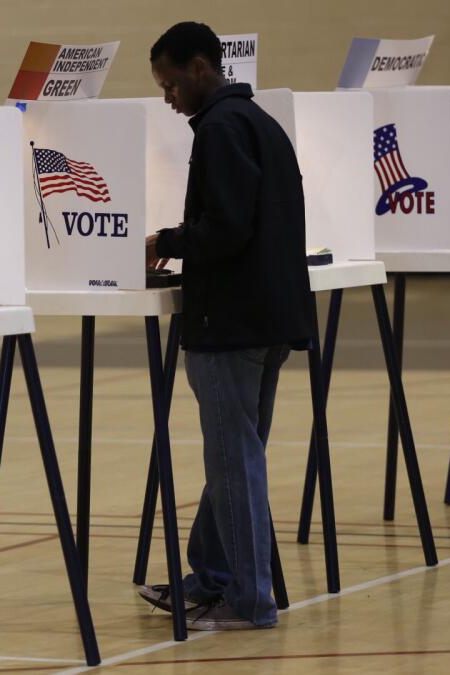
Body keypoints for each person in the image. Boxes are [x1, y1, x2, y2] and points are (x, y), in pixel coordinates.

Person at [142, 21, 315, 631]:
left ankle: (251, 599)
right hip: (271, 318)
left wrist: (166, 240)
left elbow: (227, 227)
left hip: (231, 322)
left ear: (197, 67)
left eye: (168, 84)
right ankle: (214, 574)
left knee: (233, 461)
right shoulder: (262, 123)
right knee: (240, 453)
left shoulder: (219, 129)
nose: (168, 98)